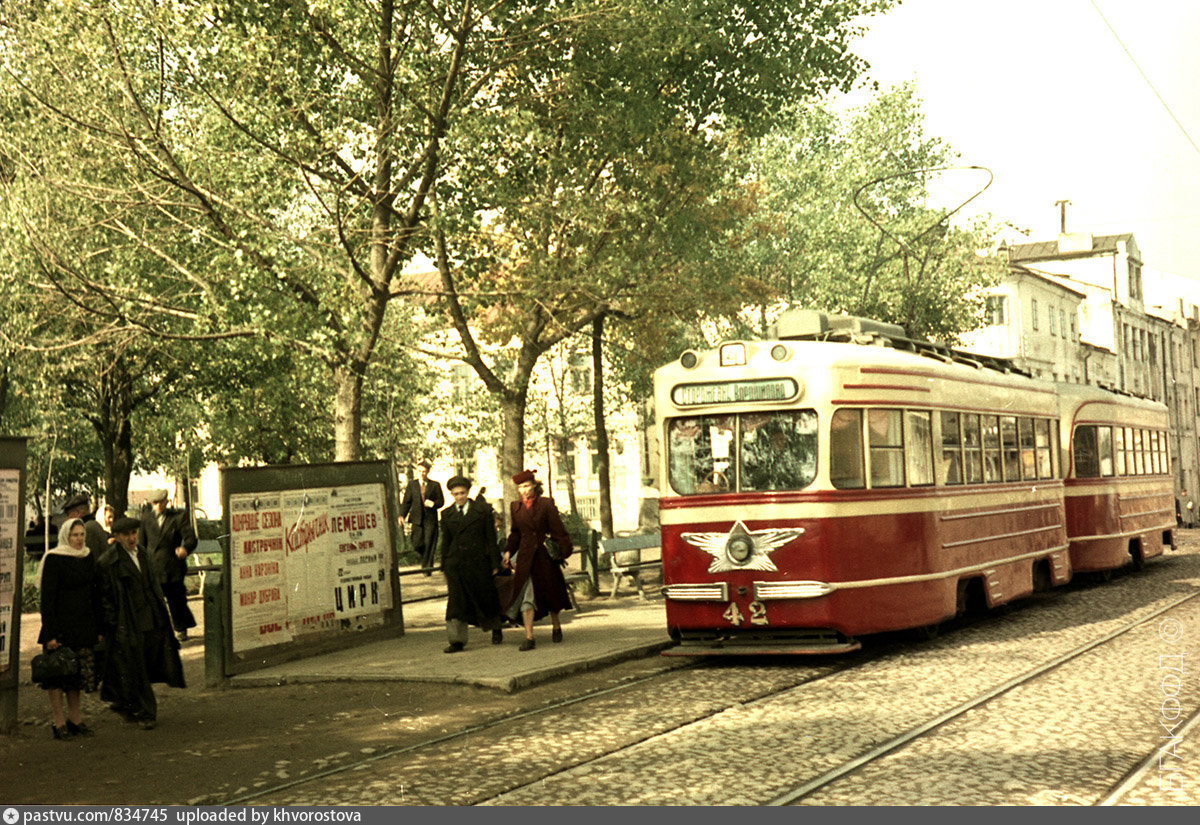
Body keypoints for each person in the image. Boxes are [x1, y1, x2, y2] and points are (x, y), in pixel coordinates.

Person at [97, 516, 185, 730]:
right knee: (136, 666)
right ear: (116, 537)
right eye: (126, 534)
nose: (131, 538)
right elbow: (105, 598)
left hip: (152, 617)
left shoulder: (144, 554)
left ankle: (124, 704)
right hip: (128, 621)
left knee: (146, 663)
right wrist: (112, 624)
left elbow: (152, 585)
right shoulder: (109, 562)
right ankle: (147, 712)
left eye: (134, 533)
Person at [36, 518, 104, 740]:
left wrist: (98, 626)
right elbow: (48, 599)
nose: (79, 539)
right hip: (60, 626)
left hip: (83, 625)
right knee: (57, 675)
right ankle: (59, 722)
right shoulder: (54, 558)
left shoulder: (87, 556)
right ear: (66, 535)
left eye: (82, 534)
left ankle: (76, 719)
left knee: (75, 675)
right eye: (74, 535)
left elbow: (95, 593)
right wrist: (50, 633)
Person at [503, 469, 573, 651]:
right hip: (526, 559)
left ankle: (556, 624)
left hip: (543, 556)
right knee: (527, 596)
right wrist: (509, 551)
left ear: (534, 485)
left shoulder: (546, 504)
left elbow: (558, 529)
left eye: (527, 486)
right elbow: (516, 533)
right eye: (520, 487)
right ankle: (529, 637)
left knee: (550, 593)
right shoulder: (515, 507)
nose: (524, 490)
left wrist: (563, 550)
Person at [438, 476, 505, 652]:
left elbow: (491, 538)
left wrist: (494, 563)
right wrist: (444, 564)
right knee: (456, 602)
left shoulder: (482, 511)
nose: (459, 497)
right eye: (455, 494)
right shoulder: (447, 514)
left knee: (486, 596)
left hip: (479, 562)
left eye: (462, 493)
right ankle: (456, 640)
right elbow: (446, 541)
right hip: (456, 564)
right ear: (451, 494)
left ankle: (496, 628)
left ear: (468, 492)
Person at [138, 489, 198, 641]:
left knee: (176, 600)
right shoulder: (146, 518)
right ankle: (159, 631)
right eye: (154, 503)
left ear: (166, 502)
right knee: (154, 602)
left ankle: (181, 628)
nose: (157, 506)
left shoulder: (178, 517)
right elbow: (141, 544)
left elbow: (191, 538)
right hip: (153, 567)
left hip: (172, 566)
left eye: (160, 503)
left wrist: (185, 548)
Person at [399, 461, 444, 575]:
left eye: (424, 471)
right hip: (417, 519)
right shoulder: (412, 485)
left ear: (428, 472)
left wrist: (433, 504)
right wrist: (402, 515)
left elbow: (441, 501)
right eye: (419, 471)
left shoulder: (435, 485)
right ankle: (426, 561)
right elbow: (406, 502)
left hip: (430, 519)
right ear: (417, 471)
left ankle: (427, 569)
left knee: (429, 543)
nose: (422, 474)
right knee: (416, 543)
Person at [61, 492, 110, 559]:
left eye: (69, 514)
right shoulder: (92, 525)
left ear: (78, 513)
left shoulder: (87, 529)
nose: (67, 518)